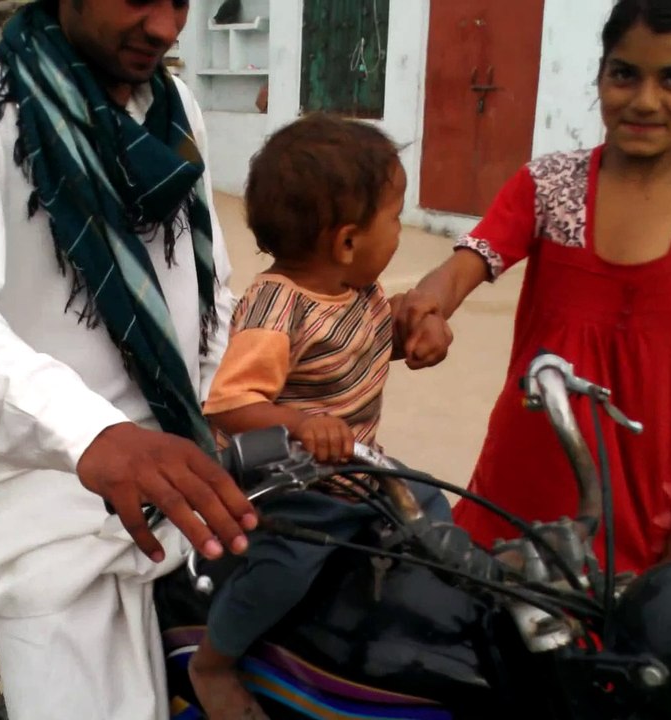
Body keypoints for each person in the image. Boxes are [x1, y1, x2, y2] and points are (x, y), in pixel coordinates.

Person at [395, 2, 671, 717]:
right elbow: (474, 257)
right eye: (624, 75)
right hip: (531, 471)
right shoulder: (551, 183)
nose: (645, 100)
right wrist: (428, 301)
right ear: (600, 76)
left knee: (663, 669)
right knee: (505, 657)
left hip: (657, 492)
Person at [0, 1, 258, 718]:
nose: (165, 28)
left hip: (181, 447)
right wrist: (89, 432)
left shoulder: (176, 109)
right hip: (38, 477)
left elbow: (208, 284)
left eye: (180, 2)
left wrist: (223, 395)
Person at [186, 114, 453, 719]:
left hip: (358, 468)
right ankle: (214, 664)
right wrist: (300, 425)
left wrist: (417, 331)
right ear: (347, 242)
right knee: (283, 572)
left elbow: (361, 345)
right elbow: (229, 402)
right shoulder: (276, 309)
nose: (401, 231)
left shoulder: (359, 290)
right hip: (294, 489)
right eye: (395, 217)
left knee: (432, 506)